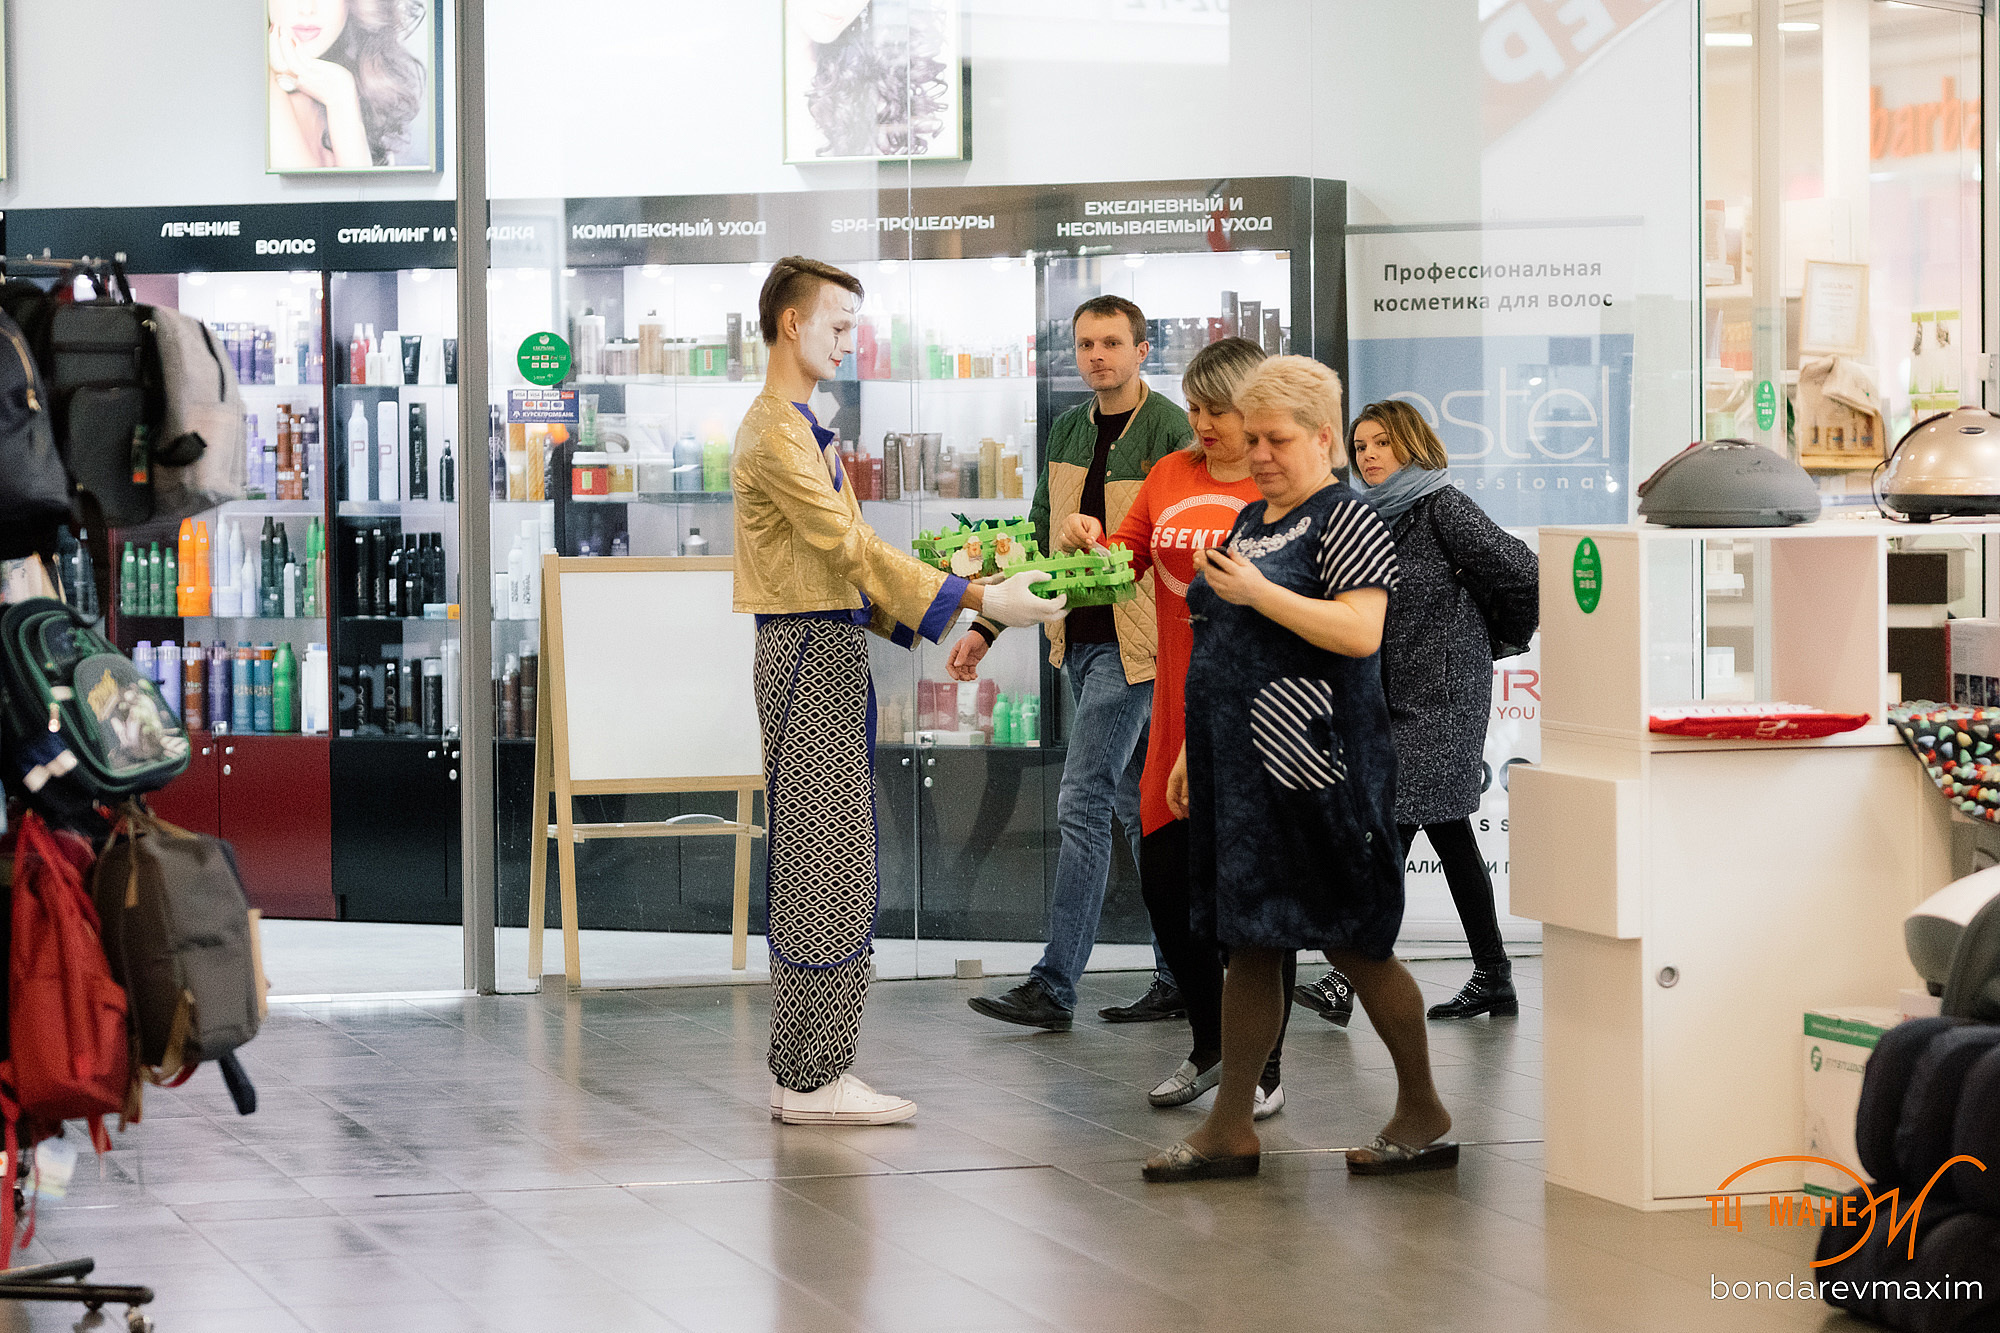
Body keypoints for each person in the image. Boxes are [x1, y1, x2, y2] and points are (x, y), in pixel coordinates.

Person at [733, 256, 1067, 1126]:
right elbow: (849, 552)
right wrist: (982, 600)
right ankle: (812, 1077)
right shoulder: (775, 431)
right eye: (839, 324)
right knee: (826, 863)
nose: (851, 340)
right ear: (792, 323)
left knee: (831, 853)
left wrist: (956, 603)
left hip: (826, 644)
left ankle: (805, 1069)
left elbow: (843, 565)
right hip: (809, 651)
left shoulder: (801, 427)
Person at [1144, 356, 1455, 1183]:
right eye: (1250, 439)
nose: (1258, 454)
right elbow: (1224, 643)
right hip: (1241, 775)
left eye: (1276, 438)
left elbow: (1359, 632)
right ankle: (1231, 1126)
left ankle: (1421, 1106)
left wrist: (1257, 593)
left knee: (1353, 943)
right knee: (1249, 942)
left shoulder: (1347, 520)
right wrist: (1186, 751)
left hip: (1320, 772)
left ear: (1324, 436)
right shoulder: (1251, 520)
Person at [1056, 338, 1291, 1117]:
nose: (1203, 424)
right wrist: (1089, 542)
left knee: (1252, 901)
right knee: (1167, 883)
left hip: (1254, 715)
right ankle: (1210, 1045)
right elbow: (1124, 561)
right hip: (1174, 709)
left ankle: (1264, 1067)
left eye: (1217, 410)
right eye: (1194, 409)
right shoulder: (1170, 474)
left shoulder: (1279, 486)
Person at [951, 296, 1196, 1033]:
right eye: (1087, 344)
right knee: (1132, 807)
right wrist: (986, 624)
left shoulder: (1170, 430)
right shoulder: (1065, 427)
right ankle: (1180, 974)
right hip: (1076, 641)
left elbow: (1171, 539)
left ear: (1142, 350)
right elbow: (1033, 535)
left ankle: (1054, 985)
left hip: (1138, 647)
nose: (1097, 356)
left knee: (1082, 801)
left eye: (1112, 343)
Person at [1339, 399, 1538, 1019]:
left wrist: (1492, 635)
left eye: (1379, 443)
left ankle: (1349, 981)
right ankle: (1495, 977)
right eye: (1360, 446)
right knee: (1448, 833)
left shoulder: (1441, 504)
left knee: (1395, 828)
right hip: (1393, 695)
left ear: (1409, 444)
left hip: (1445, 698)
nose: (1367, 456)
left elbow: (1524, 571)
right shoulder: (1366, 517)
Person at [268, 0, 429, 171]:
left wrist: (341, 100)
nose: (307, 8)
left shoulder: (353, 82)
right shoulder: (251, 92)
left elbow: (363, 194)